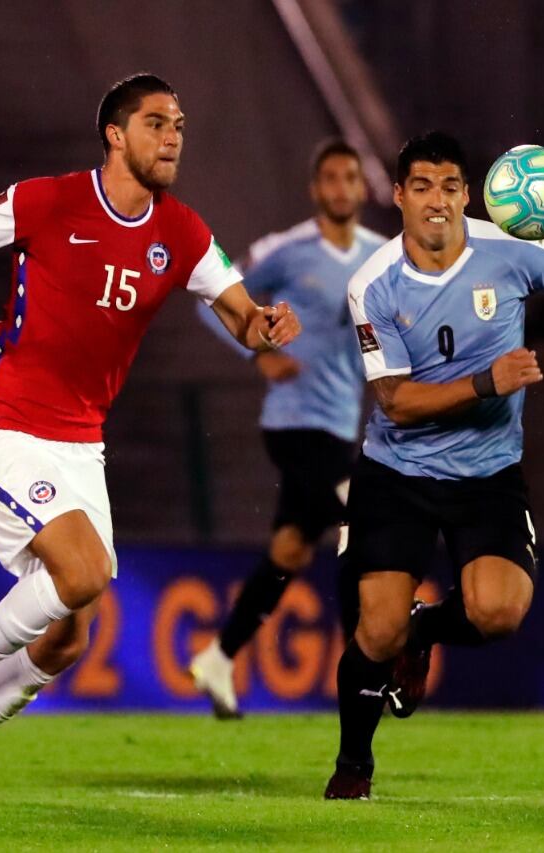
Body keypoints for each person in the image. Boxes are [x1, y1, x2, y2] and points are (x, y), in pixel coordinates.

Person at [0, 73, 302, 800]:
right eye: (156, 122)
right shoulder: (52, 200)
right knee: (82, 573)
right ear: (115, 135)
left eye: (179, 123)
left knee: (69, 635)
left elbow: (239, 314)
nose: (173, 135)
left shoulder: (184, 232)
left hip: (82, 439)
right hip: (5, 417)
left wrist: (263, 325)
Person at [323, 132, 544, 800]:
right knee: (375, 626)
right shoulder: (372, 284)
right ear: (400, 196)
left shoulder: (510, 250)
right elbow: (398, 402)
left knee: (498, 614)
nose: (439, 201)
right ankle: (354, 765)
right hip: (397, 472)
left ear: (470, 194)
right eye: (424, 187)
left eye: (451, 187)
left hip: (487, 474)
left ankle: (425, 626)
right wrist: (488, 381)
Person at [188, 139, 386, 718]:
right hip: (293, 423)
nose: (341, 188)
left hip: (341, 423)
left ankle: (220, 658)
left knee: (292, 550)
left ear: (361, 188)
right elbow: (210, 301)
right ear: (315, 188)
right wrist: (259, 355)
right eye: (330, 178)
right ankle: (367, 669)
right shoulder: (287, 250)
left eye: (351, 178)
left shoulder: (381, 257)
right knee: (359, 516)